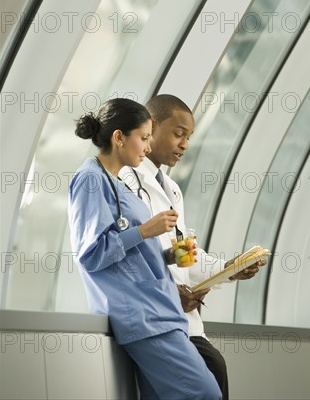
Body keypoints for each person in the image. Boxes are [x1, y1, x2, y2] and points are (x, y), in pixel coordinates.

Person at [68, 98, 222, 400]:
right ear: (119, 137)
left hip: (161, 313)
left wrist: (167, 255)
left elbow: (129, 253)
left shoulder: (117, 183)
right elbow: (91, 254)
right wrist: (145, 230)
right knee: (206, 394)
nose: (148, 147)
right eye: (144, 138)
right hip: (144, 317)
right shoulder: (89, 179)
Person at [119, 94, 266, 400]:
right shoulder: (126, 179)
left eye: (189, 137)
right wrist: (170, 291)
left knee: (214, 369)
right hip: (156, 315)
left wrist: (229, 269)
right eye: (178, 134)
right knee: (212, 370)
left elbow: (185, 256)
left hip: (182, 318)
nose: (185, 144)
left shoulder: (172, 189)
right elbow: (132, 253)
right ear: (152, 127)